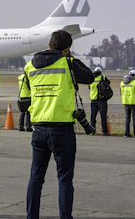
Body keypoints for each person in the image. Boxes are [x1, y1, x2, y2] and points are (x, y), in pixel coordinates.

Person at [25, 30, 94, 219]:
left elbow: (24, 100)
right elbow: (89, 77)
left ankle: (31, 216)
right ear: (67, 49)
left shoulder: (30, 66)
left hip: (38, 127)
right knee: (64, 179)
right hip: (61, 128)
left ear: (49, 44)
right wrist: (70, 58)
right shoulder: (68, 63)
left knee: (36, 177)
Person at [89, 67, 111, 136]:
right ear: (101, 72)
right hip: (101, 100)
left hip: (93, 99)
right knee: (103, 116)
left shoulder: (91, 78)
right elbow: (108, 83)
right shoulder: (103, 77)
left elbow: (89, 87)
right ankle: (104, 131)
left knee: (93, 116)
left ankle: (92, 130)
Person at [120, 70, 135, 137]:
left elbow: (121, 93)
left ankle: (126, 133)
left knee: (127, 118)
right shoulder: (134, 82)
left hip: (125, 102)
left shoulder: (122, 83)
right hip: (133, 102)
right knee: (134, 118)